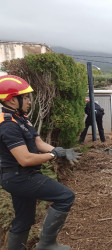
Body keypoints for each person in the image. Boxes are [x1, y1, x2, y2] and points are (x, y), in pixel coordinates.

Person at [0, 75, 80, 250]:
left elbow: (38, 142)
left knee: (24, 220)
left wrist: (60, 151)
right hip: (19, 176)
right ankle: (46, 244)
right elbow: (25, 159)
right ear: (13, 100)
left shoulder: (21, 118)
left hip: (20, 176)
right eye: (26, 97)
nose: (29, 101)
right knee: (65, 196)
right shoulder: (7, 125)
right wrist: (53, 155)